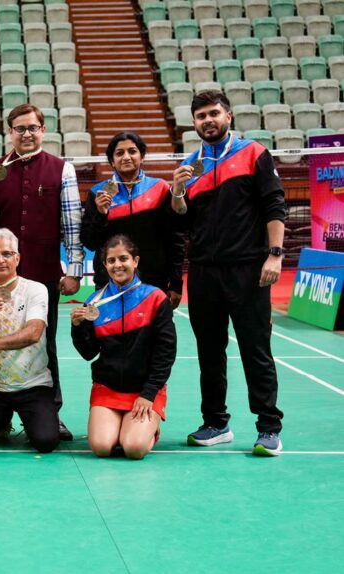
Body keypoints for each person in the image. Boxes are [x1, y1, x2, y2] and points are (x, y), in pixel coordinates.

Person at [171, 90, 286, 456]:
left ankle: (268, 427)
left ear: (228, 116)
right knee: (209, 351)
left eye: (213, 113)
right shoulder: (191, 165)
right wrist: (178, 192)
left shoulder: (253, 153)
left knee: (256, 349)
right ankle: (216, 423)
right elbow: (184, 222)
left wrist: (275, 255)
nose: (208, 120)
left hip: (248, 269)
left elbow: (274, 205)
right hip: (204, 272)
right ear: (194, 123)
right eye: (201, 116)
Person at [0, 103, 82, 441]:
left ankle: (53, 412)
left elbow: (72, 225)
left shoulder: (62, 169)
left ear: (43, 130)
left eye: (32, 127)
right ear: (10, 132)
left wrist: (74, 270)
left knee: (45, 344)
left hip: (44, 275)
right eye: (19, 128)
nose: (26, 134)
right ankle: (0, 416)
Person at [71, 235, 176, 460]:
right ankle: (123, 427)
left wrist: (149, 393)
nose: (117, 265)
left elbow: (166, 353)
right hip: (108, 388)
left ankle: (147, 427)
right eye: (111, 261)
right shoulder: (94, 302)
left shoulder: (155, 298)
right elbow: (89, 353)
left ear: (135, 261)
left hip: (144, 390)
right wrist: (78, 327)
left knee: (134, 448)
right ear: (105, 265)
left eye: (123, 259)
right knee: (101, 447)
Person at [0, 228, 61, 453]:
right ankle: (2, 417)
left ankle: (26, 416)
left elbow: (34, 333)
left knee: (46, 442)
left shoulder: (36, 290)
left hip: (33, 384)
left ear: (17, 258)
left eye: (7, 254)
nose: (0, 260)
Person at [81, 132, 185, 307]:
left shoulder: (159, 188)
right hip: (110, 282)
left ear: (142, 156)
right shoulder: (98, 193)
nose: (126, 157)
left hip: (153, 283)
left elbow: (174, 238)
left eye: (132, 151)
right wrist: (101, 214)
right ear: (112, 161)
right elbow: (90, 242)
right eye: (119, 153)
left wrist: (175, 282)